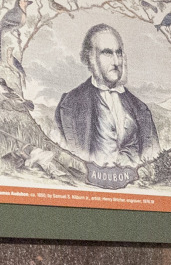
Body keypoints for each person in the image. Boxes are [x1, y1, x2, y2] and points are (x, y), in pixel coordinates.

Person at [55, 22, 157, 166]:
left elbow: (154, 157)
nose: (116, 61)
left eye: (119, 53)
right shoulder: (69, 104)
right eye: (107, 53)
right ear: (89, 57)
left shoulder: (141, 109)